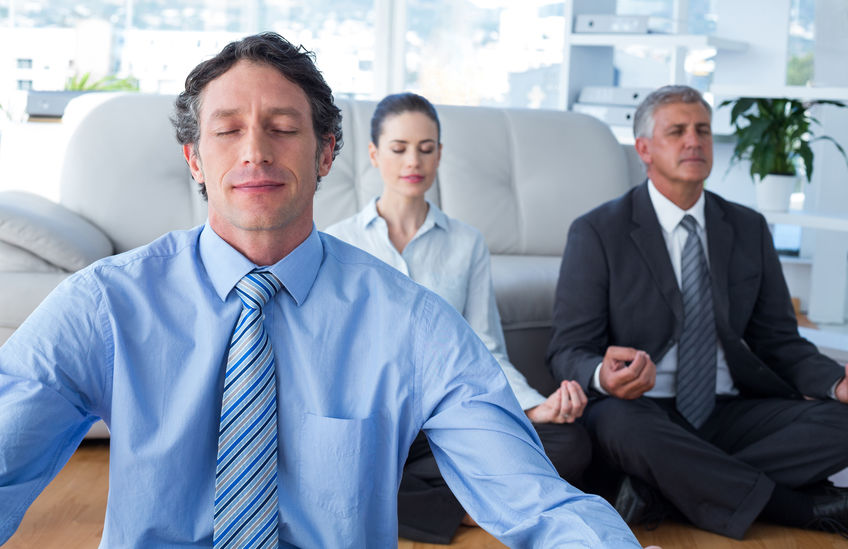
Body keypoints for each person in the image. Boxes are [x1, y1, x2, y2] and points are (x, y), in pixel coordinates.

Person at [0, 32, 642, 548]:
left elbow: (533, 498)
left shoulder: (413, 324)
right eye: (226, 130)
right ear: (195, 159)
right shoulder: (104, 305)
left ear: (326, 153)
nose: (254, 150)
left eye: (282, 127)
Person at [546, 84, 848, 540]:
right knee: (617, 426)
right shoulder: (597, 231)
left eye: (703, 130)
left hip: (729, 411)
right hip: (642, 412)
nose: (695, 141)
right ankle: (797, 508)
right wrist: (602, 377)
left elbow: (779, 342)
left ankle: (661, 490)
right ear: (644, 149)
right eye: (678, 131)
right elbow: (567, 350)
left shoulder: (747, 228)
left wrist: (836, 381)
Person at [325, 92, 592, 544]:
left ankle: (416, 503)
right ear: (373, 154)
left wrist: (532, 408)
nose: (414, 160)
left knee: (570, 444)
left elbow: (485, 348)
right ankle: (467, 508)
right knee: (325, 464)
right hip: (374, 420)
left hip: (447, 415)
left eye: (427, 148)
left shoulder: (466, 243)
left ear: (440, 155)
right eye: (399, 147)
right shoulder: (338, 243)